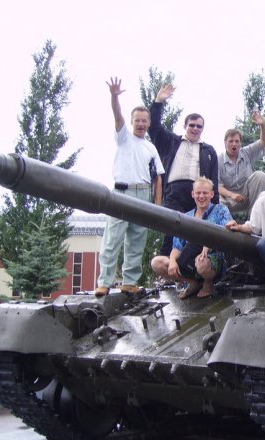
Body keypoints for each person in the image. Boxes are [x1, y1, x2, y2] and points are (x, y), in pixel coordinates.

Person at [95, 77, 165, 297]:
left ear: (149, 123)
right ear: (132, 122)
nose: (141, 124)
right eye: (137, 120)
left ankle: (130, 281)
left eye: (144, 121)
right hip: (122, 192)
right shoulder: (124, 137)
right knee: (113, 239)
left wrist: (157, 204)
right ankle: (105, 282)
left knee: (136, 240)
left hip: (143, 193)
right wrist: (114, 98)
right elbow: (118, 117)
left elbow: (158, 177)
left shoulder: (150, 147)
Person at [149, 84, 219, 256]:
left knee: (196, 233)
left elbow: (213, 181)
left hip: (198, 194)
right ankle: (166, 266)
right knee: (171, 230)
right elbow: (154, 128)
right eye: (192, 125)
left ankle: (190, 268)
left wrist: (214, 206)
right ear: (185, 126)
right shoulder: (171, 142)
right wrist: (158, 102)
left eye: (199, 126)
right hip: (173, 192)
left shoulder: (209, 151)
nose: (195, 129)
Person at [150, 177, 232, 299]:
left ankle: (208, 283)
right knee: (157, 263)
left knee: (202, 263)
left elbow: (226, 232)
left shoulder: (220, 210)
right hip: (188, 260)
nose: (201, 196)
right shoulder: (186, 217)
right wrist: (172, 261)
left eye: (205, 193)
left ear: (211, 194)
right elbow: (177, 246)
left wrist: (208, 246)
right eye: (198, 193)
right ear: (193, 194)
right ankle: (192, 282)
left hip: (212, 260)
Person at [218, 111, 265, 216]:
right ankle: (222, 223)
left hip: (247, 196)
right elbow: (217, 186)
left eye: (237, 141)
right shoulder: (219, 160)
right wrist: (231, 195)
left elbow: (263, 141)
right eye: (231, 141)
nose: (234, 144)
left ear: (240, 143)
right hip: (228, 199)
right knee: (214, 197)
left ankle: (254, 219)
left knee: (260, 175)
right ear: (225, 143)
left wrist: (263, 124)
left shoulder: (246, 152)